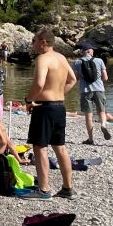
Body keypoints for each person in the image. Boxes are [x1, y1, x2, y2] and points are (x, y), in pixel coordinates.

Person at [23, 28, 77, 200]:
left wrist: (29, 99)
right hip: (59, 106)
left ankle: (44, 189)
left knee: (40, 147)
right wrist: (59, 93)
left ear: (43, 42)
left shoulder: (42, 59)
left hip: (44, 108)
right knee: (60, 147)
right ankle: (68, 188)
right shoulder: (61, 58)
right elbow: (72, 80)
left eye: (34, 40)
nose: (32, 44)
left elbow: (39, 84)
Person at [72, 43, 110, 145]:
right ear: (88, 51)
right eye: (92, 50)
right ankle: (103, 125)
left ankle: (90, 139)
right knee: (101, 111)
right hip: (99, 89)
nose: (93, 51)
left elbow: (76, 78)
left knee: (88, 116)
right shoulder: (99, 60)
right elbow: (105, 78)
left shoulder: (77, 62)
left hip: (85, 91)